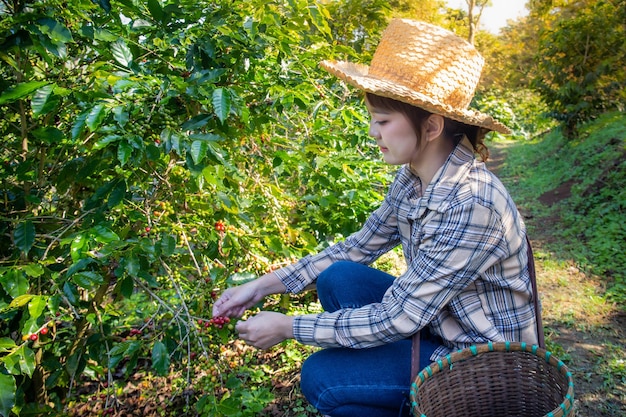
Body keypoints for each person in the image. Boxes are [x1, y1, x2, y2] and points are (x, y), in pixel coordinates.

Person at [212, 19, 539, 417]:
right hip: (440, 324)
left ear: (432, 125)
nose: (372, 132)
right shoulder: (415, 176)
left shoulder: (472, 203)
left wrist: (289, 327)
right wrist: (263, 286)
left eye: (382, 121)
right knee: (340, 275)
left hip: (484, 363)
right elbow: (360, 246)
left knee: (323, 377)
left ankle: (420, 405)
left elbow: (399, 317)